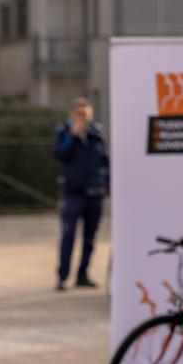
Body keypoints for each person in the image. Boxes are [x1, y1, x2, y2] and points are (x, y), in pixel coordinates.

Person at [53, 97, 109, 290]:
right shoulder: (63, 132)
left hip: (95, 194)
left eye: (85, 114)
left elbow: (105, 160)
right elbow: (59, 154)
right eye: (79, 114)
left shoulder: (97, 134)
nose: (82, 118)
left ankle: (83, 275)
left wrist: (106, 184)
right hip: (73, 193)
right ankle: (63, 276)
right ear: (72, 115)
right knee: (68, 235)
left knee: (90, 238)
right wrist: (72, 136)